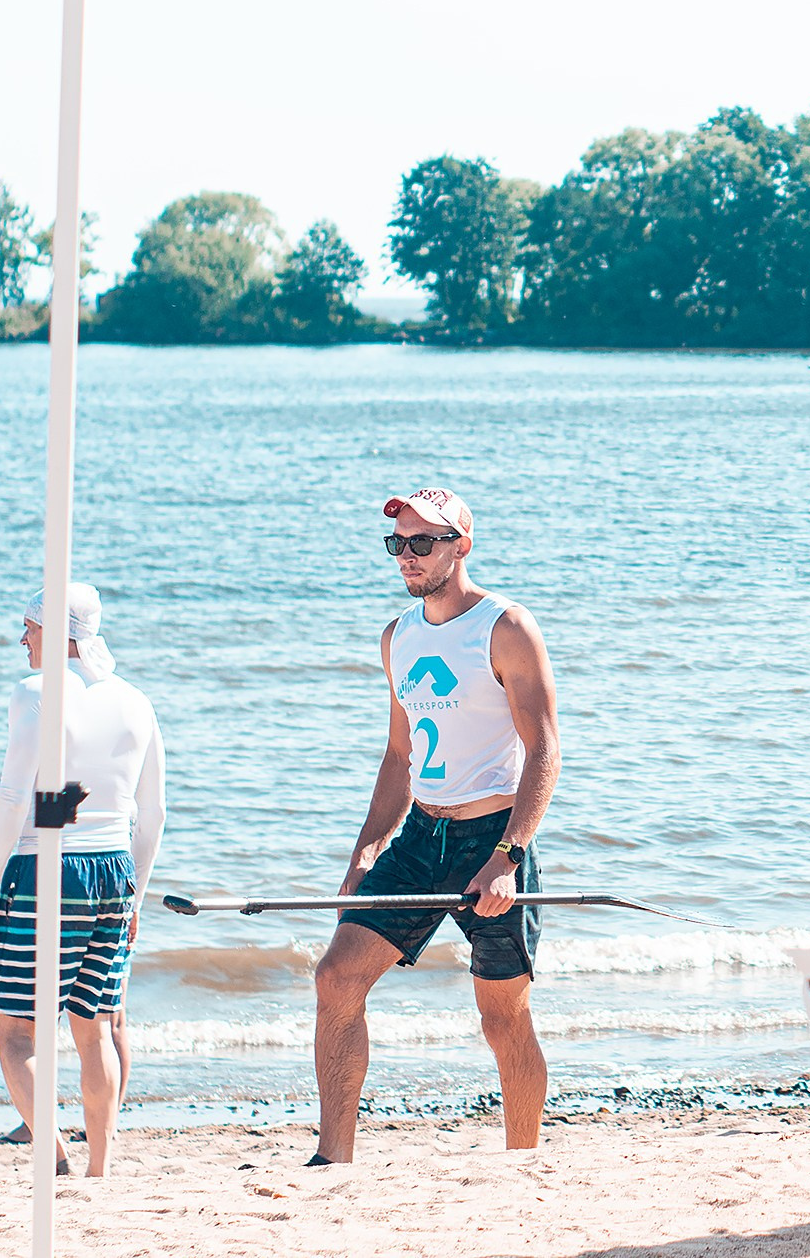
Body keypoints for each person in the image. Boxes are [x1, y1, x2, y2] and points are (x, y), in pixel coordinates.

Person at [312, 488, 561, 1166]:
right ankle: (333, 1157)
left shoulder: (506, 626)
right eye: (399, 544)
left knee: (501, 1017)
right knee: (336, 978)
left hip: (493, 839)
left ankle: (522, 1160)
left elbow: (544, 750)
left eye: (423, 542)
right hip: (420, 838)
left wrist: (509, 856)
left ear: (461, 545)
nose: (407, 556)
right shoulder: (398, 636)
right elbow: (399, 755)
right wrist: (366, 849)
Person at [0, 583, 164, 1178]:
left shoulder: (36, 693)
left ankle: (53, 1159)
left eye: (29, 627)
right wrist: (135, 896)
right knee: (95, 1027)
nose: (22, 639)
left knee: (13, 1034)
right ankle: (100, 1170)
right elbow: (151, 813)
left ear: (57, 633)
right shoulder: (135, 700)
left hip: (46, 864)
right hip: (114, 869)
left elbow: (12, 798)